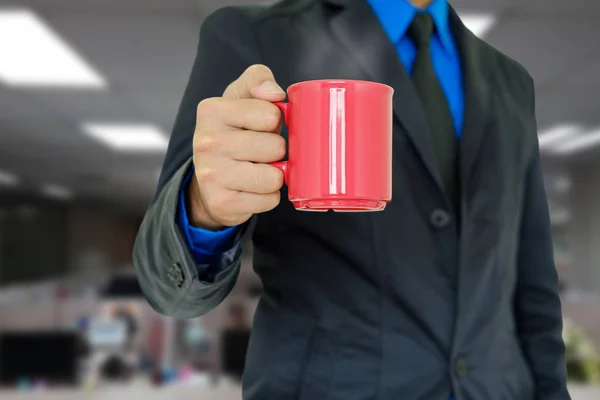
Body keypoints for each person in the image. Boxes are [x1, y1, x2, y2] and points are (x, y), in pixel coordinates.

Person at [133, 0, 570, 399]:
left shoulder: (512, 82)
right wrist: (205, 210)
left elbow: (531, 284)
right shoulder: (256, 35)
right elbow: (166, 286)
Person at [219, 304, 252, 382]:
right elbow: (225, 355)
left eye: (239, 315)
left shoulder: (248, 332)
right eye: (234, 315)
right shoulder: (227, 333)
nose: (237, 318)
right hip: (231, 371)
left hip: (247, 370)